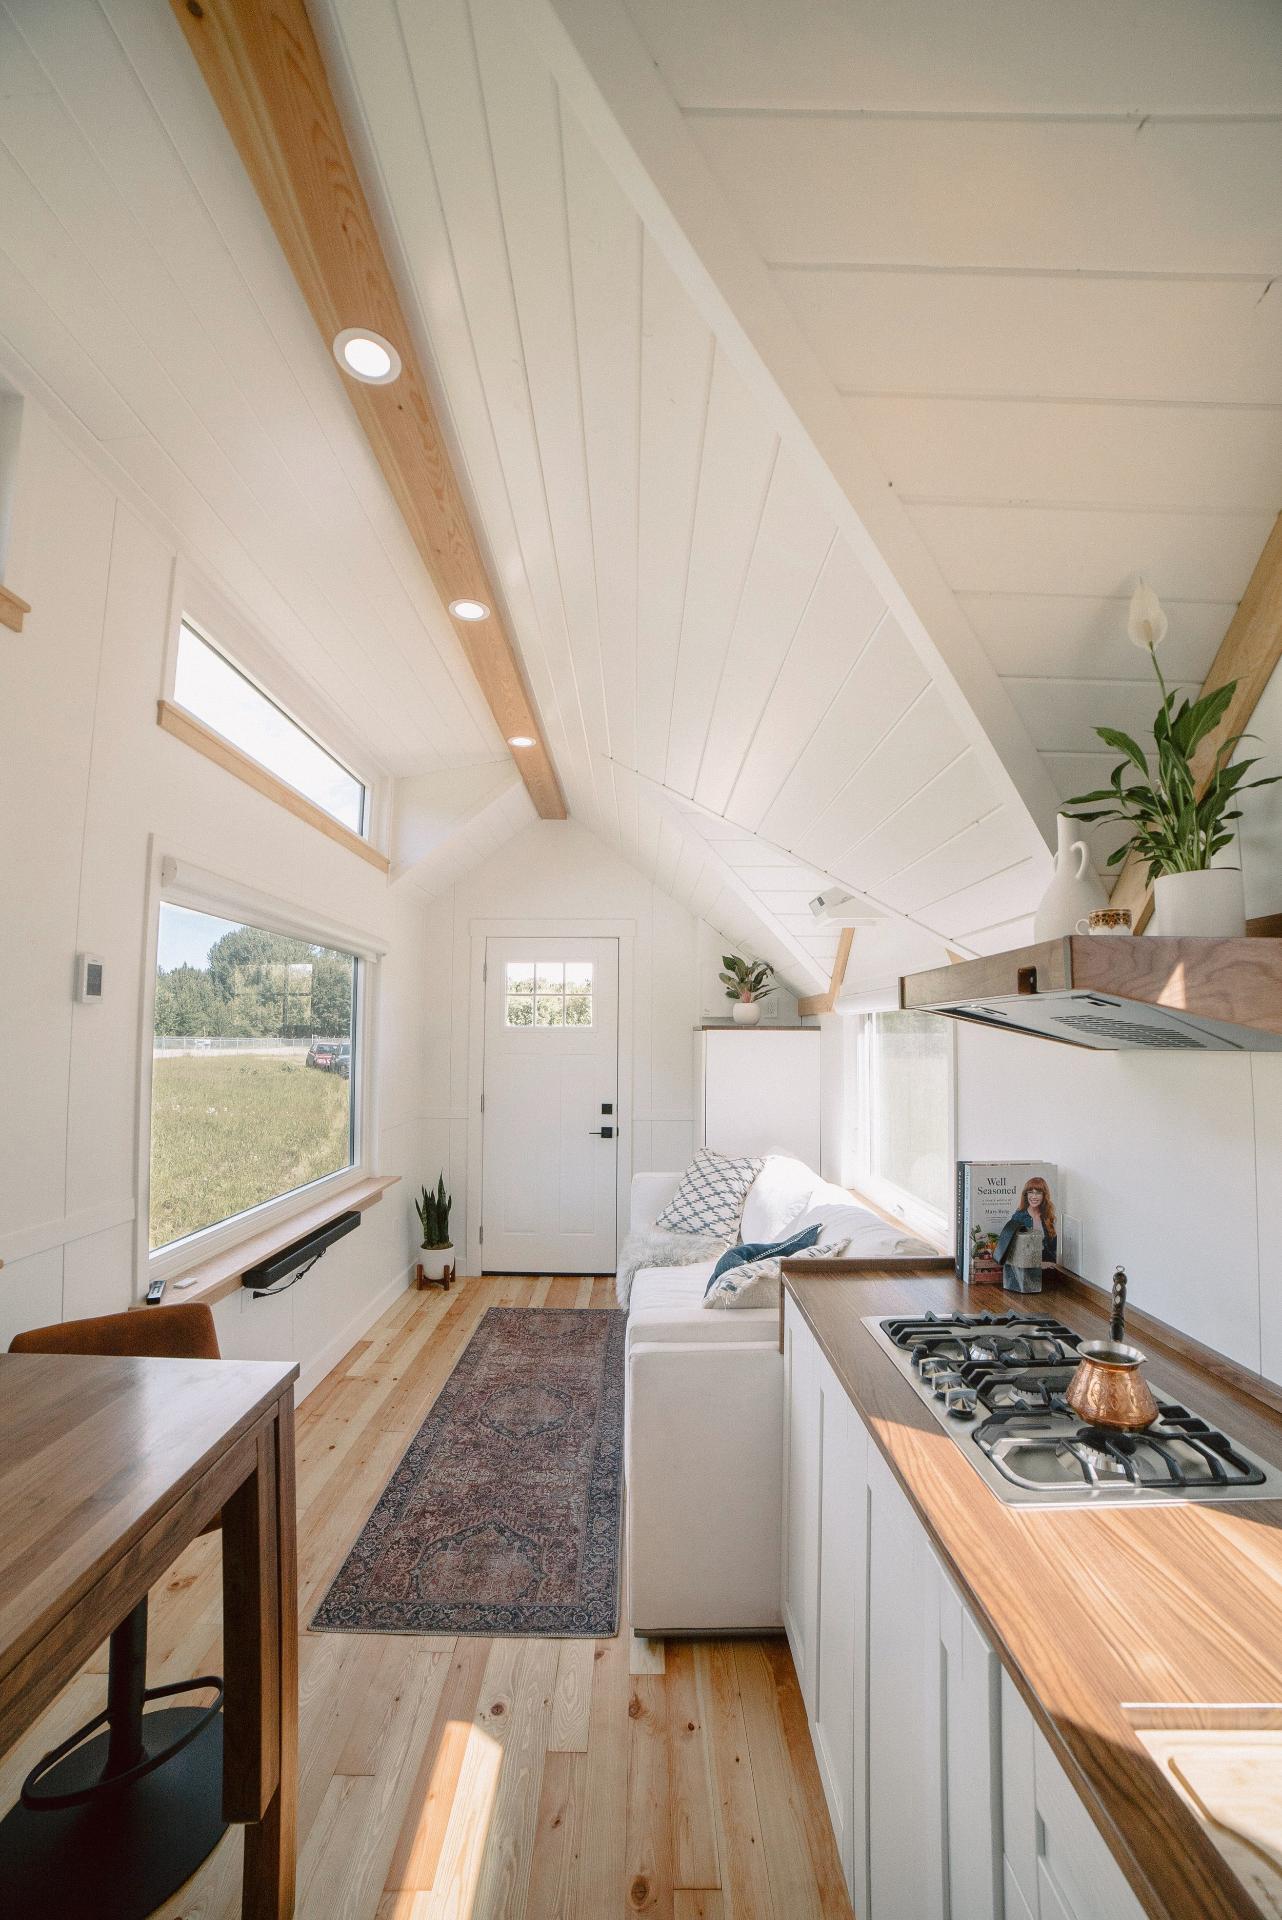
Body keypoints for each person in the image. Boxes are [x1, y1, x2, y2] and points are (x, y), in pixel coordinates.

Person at [994, 1175, 1057, 1267]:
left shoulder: (1048, 1216)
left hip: (1048, 1265)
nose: (1034, 1196)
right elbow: (1014, 1253)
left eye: (1038, 1193)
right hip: (1027, 1268)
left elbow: (1052, 1247)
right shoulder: (1018, 1217)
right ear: (1026, 1194)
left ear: (1044, 1195)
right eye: (1030, 1192)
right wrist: (1039, 1264)